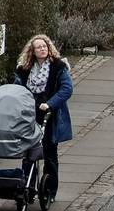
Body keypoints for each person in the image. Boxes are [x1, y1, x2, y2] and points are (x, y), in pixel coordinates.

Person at [12, 33, 73, 199]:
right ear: (32, 51)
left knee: (50, 155)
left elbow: (67, 89)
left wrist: (50, 103)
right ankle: (27, 188)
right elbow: (18, 89)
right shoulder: (24, 70)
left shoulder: (58, 66)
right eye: (38, 47)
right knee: (28, 153)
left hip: (50, 116)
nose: (42, 49)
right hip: (30, 115)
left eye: (45, 46)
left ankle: (50, 191)